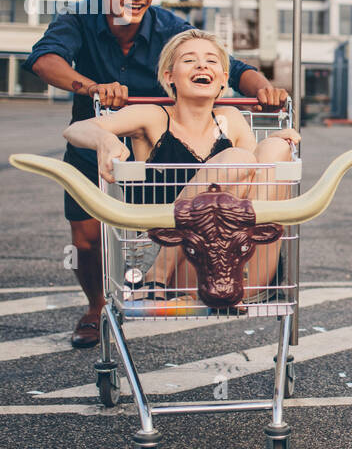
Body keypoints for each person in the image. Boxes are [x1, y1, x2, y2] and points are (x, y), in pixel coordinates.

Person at [24, 0, 289, 346]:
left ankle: (183, 276)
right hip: (99, 138)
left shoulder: (171, 29)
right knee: (86, 238)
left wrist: (265, 88)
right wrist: (92, 87)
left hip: (163, 148)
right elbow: (45, 60)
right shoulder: (76, 20)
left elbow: (230, 67)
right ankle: (96, 306)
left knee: (225, 183)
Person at [62, 29, 298, 301]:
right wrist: (104, 139)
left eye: (211, 61)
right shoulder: (152, 117)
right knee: (239, 158)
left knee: (275, 148)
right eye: (189, 60)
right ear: (169, 76)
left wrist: (278, 142)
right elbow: (76, 130)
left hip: (234, 265)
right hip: (177, 259)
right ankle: (159, 271)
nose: (201, 65)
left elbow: (255, 181)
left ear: (223, 80)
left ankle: (219, 278)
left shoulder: (230, 119)